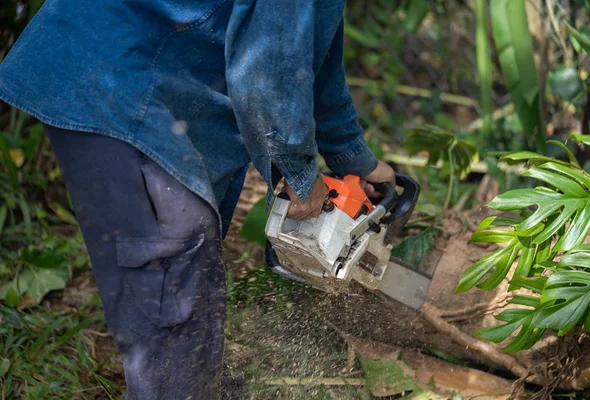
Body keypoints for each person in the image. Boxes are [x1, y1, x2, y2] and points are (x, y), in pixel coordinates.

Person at [0, 0, 396, 398]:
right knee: (174, 251)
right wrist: (298, 171)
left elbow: (311, 49)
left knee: (184, 252)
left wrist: (351, 157)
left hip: (131, 62)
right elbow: (268, 63)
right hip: (113, 70)